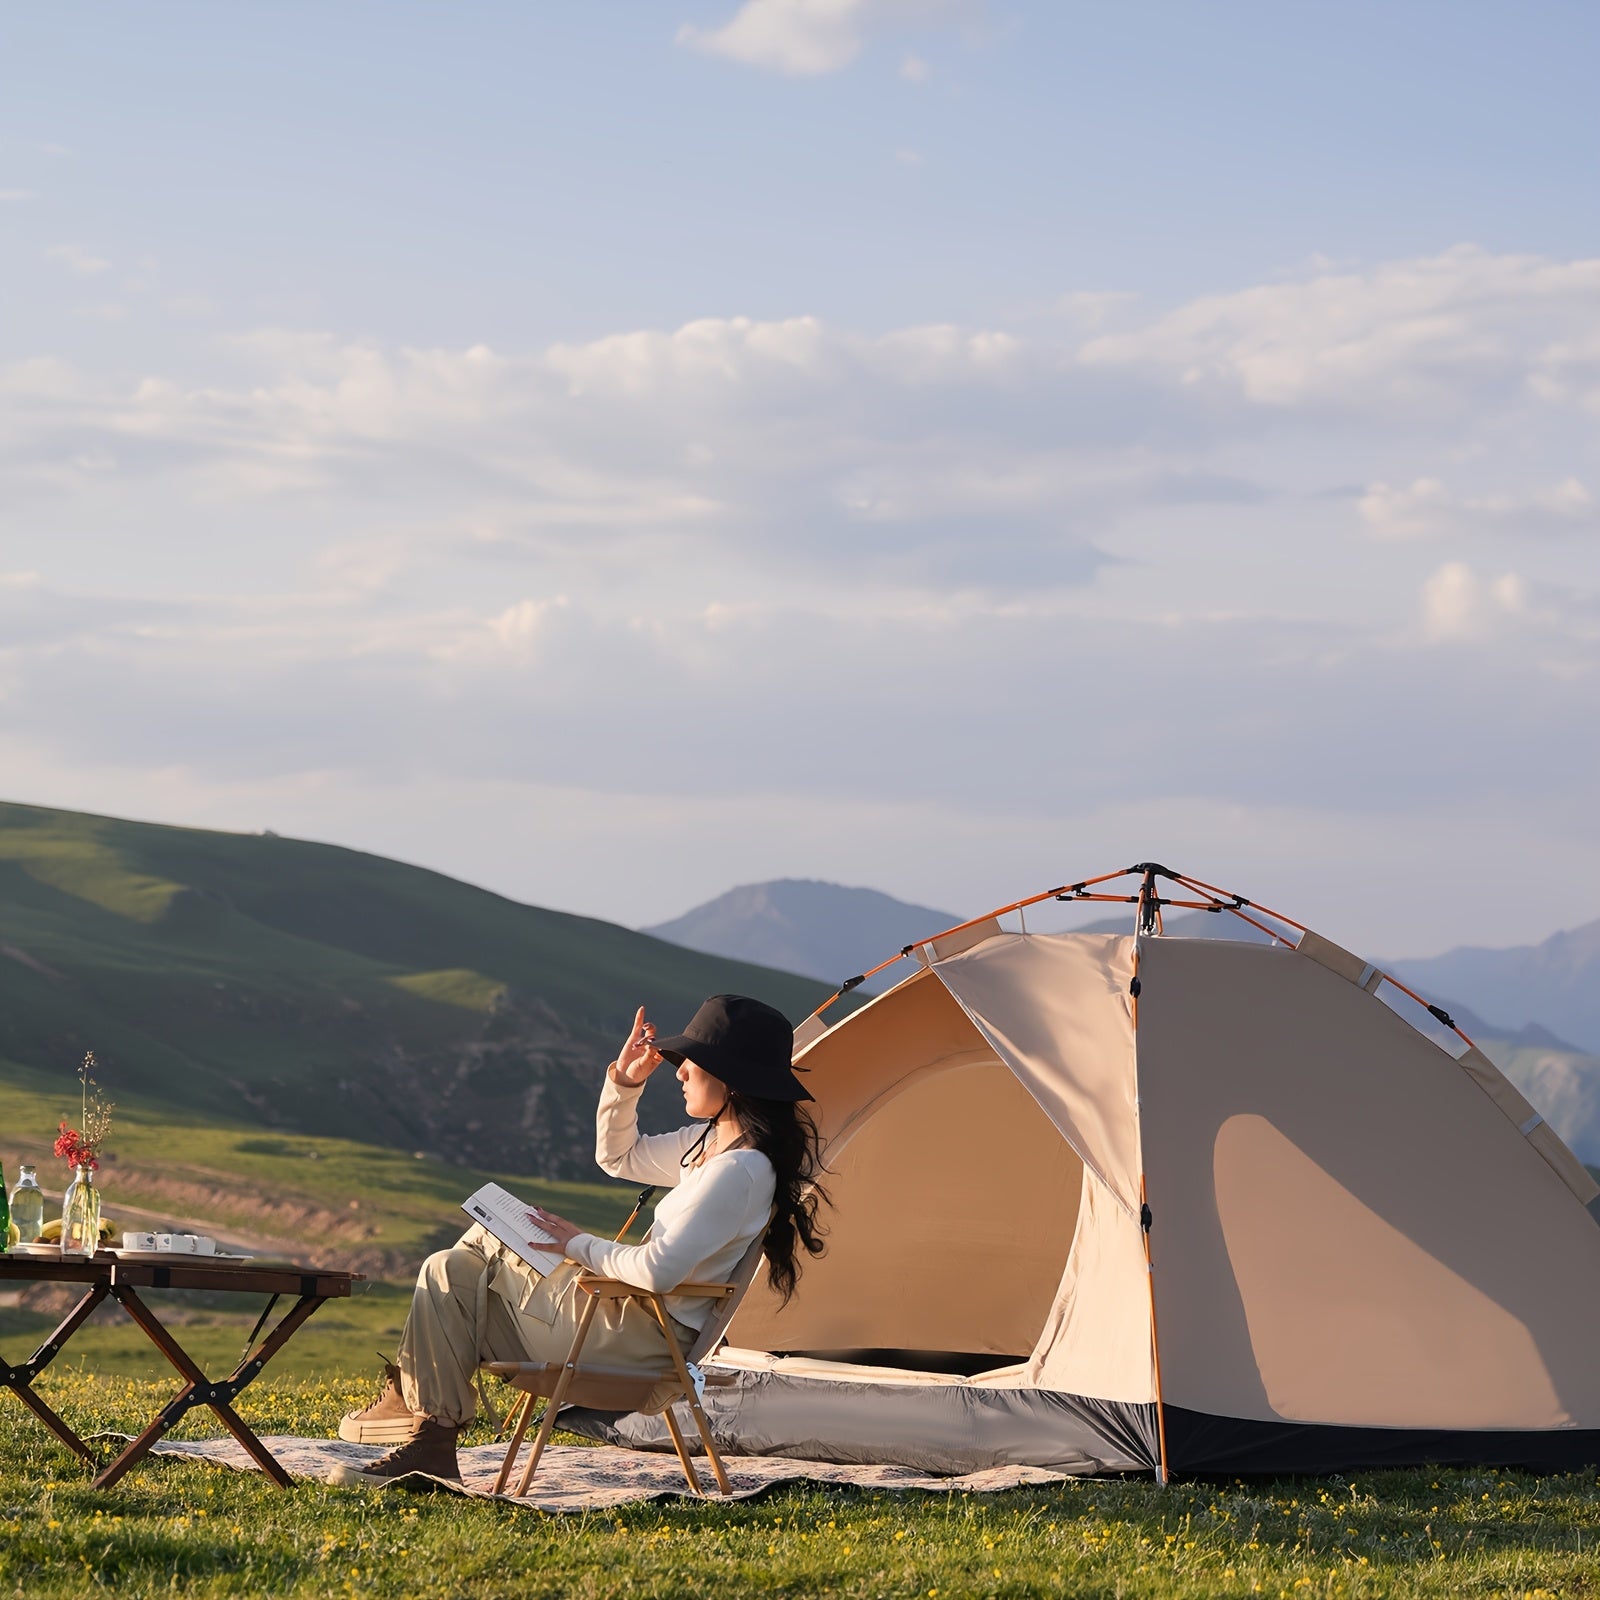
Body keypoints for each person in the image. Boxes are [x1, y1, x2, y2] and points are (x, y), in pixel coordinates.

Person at [332, 993, 828, 1484]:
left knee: (480, 1242)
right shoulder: (712, 1147)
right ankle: (430, 1441)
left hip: (637, 1338)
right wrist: (625, 1083)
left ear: (732, 1080)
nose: (678, 1073)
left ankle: (415, 1404)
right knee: (447, 1269)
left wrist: (576, 1243)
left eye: (691, 1064)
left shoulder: (739, 1171)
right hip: (619, 1320)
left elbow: (658, 1270)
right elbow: (619, 1157)